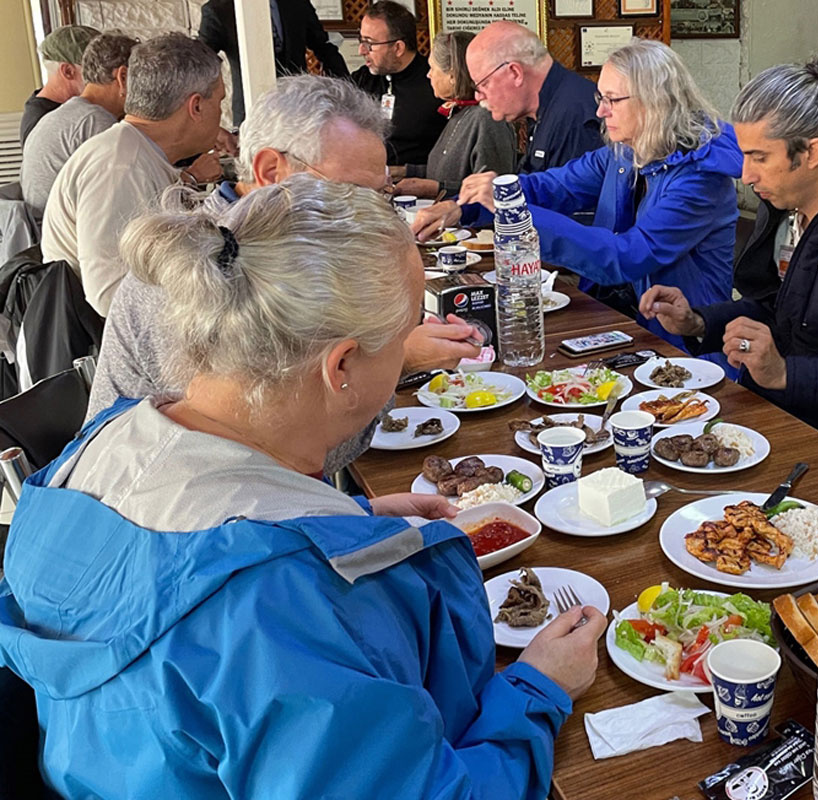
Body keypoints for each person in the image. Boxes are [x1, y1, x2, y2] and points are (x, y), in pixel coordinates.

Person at [0, 175, 607, 798]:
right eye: (404, 338)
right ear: (341, 366)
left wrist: (352, 518)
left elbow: (165, 562)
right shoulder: (294, 602)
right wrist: (540, 687)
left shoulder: (96, 446)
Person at [87, 75, 479, 473]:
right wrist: (392, 358)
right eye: (351, 195)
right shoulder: (203, 268)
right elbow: (285, 459)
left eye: (380, 196)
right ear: (271, 170)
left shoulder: (283, 248)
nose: (372, 216)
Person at [640, 53, 818, 473]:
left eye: (759, 157)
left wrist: (785, 374)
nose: (745, 174)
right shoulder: (785, 202)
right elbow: (780, 307)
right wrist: (700, 322)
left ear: (811, 152)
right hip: (771, 413)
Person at [436, 38, 739, 344]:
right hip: (624, 320)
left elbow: (627, 257)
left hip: (686, 347)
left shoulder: (701, 178)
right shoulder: (625, 151)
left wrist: (513, 211)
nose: (601, 111)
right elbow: (554, 186)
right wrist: (466, 205)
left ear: (653, 102)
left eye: (612, 99)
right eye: (600, 97)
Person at [42, 33, 224, 317]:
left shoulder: (138, 151)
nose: (221, 114)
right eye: (220, 102)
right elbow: (109, 296)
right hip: (100, 340)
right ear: (196, 106)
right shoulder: (120, 166)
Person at [409, 20, 600, 233]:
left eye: (483, 84)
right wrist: (461, 207)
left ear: (515, 73)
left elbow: (574, 218)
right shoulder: (548, 107)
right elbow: (539, 188)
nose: (478, 96)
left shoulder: (574, 116)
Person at [20, 32, 138, 223]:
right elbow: (127, 194)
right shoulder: (96, 121)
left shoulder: (71, 112)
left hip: (47, 232)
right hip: (67, 239)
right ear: (122, 77)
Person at [391, 31, 517, 199]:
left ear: (452, 75)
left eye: (432, 68)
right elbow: (447, 171)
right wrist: (405, 172)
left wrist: (436, 189)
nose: (428, 75)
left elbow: (494, 193)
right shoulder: (460, 112)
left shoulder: (487, 119)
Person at [198, 0, 349, 126]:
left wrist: (348, 92)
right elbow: (202, 65)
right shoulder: (219, 9)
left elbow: (323, 47)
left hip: (297, 108)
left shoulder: (296, 2)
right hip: (251, 110)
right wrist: (206, 117)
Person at [350, 1, 446, 166]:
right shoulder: (361, 80)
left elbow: (453, 155)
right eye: (361, 40)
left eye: (369, 43)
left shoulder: (435, 82)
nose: (361, 50)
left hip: (420, 186)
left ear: (398, 48)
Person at [20, 24, 99, 144]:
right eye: (95, 68)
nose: (105, 76)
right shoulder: (41, 124)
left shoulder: (78, 105)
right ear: (68, 71)